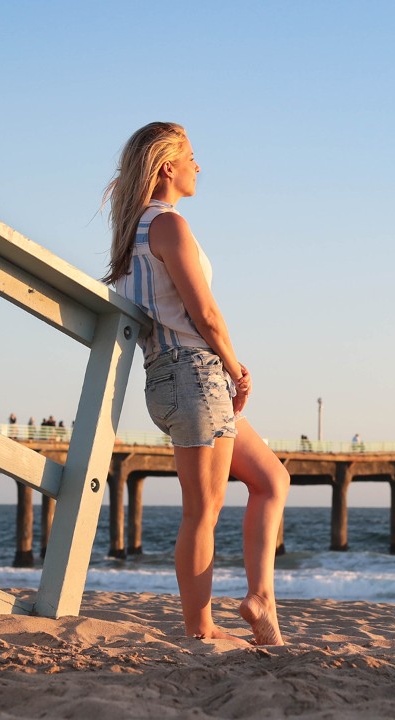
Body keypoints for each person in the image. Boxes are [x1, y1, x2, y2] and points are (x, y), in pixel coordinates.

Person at [103, 122, 289, 646]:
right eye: (192, 156)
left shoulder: (133, 233)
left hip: (172, 377)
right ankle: (199, 629)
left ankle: (260, 601)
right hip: (194, 373)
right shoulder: (167, 226)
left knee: (271, 480)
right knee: (202, 512)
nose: (199, 166)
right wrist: (235, 366)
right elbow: (203, 311)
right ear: (169, 166)